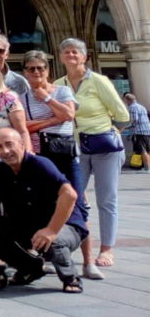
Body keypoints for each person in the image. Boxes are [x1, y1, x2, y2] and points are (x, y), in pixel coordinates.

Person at [0, 128, 87, 293]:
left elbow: (69, 194)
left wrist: (51, 230)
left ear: (22, 144)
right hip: (29, 228)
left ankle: (70, 278)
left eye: (9, 144)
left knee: (54, 241)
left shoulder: (40, 164)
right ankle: (31, 268)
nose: (5, 151)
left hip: (65, 225)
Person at [56, 37, 128, 278]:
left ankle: (106, 249)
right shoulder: (59, 84)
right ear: (61, 57)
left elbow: (122, 114)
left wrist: (109, 131)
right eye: (66, 52)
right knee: (73, 198)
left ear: (84, 57)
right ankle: (73, 246)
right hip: (75, 148)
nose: (71, 55)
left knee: (106, 198)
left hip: (103, 145)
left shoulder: (99, 81)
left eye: (75, 52)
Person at [20, 51, 78, 188]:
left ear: (47, 70)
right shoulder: (22, 99)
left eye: (41, 67)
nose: (36, 72)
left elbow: (69, 115)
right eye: (31, 68)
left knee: (74, 195)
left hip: (64, 151)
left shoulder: (62, 91)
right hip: (40, 152)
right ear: (25, 72)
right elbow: (24, 127)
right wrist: (55, 120)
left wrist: (47, 99)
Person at [124, 92, 150, 171]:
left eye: (125, 101)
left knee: (142, 149)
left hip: (139, 131)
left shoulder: (132, 107)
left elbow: (134, 121)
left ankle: (147, 167)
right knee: (146, 149)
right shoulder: (141, 107)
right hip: (147, 130)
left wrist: (125, 127)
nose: (125, 102)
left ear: (128, 100)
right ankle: (143, 166)